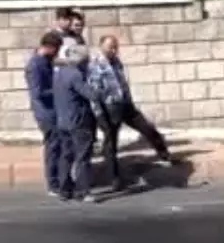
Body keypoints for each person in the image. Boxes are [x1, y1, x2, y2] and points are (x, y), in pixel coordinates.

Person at [88, 34, 172, 190]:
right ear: (101, 46)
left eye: (115, 47)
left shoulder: (116, 62)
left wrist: (128, 99)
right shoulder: (95, 65)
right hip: (109, 108)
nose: (113, 50)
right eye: (110, 47)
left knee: (147, 128)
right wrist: (99, 114)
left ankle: (164, 153)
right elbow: (93, 93)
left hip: (126, 105)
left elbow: (122, 83)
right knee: (110, 143)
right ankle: (114, 177)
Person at [54, 43, 99, 202]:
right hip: (78, 121)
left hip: (63, 120)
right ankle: (83, 191)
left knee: (66, 156)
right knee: (82, 157)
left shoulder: (60, 73)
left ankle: (64, 190)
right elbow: (91, 95)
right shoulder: (76, 75)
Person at [25, 32, 65, 196]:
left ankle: (60, 179)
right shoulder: (35, 65)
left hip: (53, 110)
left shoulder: (46, 61)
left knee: (59, 144)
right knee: (53, 146)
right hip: (45, 112)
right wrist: (58, 90)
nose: (57, 53)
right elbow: (38, 93)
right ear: (49, 47)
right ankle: (52, 183)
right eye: (56, 49)